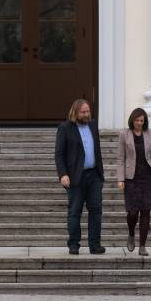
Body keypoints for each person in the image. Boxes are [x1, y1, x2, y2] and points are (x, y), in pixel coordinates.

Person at [55, 99, 105, 255]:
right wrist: (63, 174)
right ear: (75, 112)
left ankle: (95, 245)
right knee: (75, 211)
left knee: (96, 210)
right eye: (83, 112)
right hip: (76, 176)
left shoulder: (93, 125)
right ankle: (74, 244)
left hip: (94, 174)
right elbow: (59, 154)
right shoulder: (65, 128)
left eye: (88, 111)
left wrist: (100, 173)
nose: (87, 114)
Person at [117, 108, 151, 256]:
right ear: (132, 120)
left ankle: (142, 246)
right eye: (137, 120)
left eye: (142, 121)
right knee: (132, 212)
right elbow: (120, 158)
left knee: (146, 212)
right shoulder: (124, 134)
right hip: (131, 178)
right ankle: (131, 233)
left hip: (147, 177)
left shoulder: (150, 133)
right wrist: (120, 179)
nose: (139, 123)